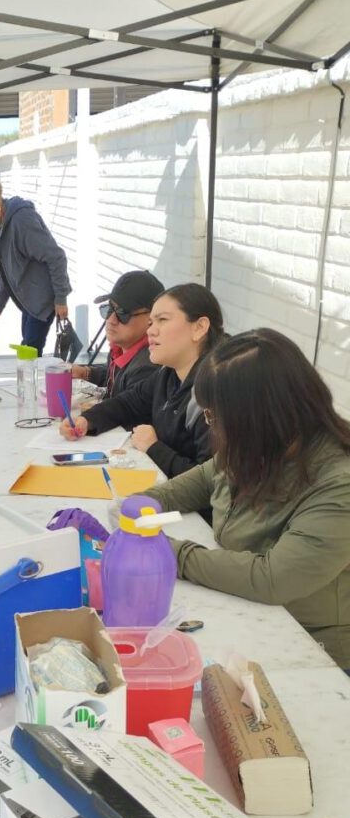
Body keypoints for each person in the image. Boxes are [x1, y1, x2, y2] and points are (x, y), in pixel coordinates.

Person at [144, 329, 350, 670]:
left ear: (257, 418)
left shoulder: (338, 486)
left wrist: (167, 552)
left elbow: (273, 578)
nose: (211, 427)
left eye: (214, 416)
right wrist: (143, 503)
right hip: (253, 614)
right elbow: (198, 482)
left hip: (314, 647)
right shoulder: (256, 449)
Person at [60, 283, 225, 478]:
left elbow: (212, 485)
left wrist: (153, 448)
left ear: (199, 328)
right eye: (151, 323)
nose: (151, 332)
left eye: (162, 320)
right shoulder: (168, 373)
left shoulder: (216, 392)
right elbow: (128, 403)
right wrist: (87, 420)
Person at [0, 174, 71, 354]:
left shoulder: (22, 221)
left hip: (42, 300)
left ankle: (33, 381)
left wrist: (60, 298)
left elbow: (56, 257)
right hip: (28, 302)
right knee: (28, 351)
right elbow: (5, 273)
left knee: (29, 353)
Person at [70, 269, 163, 398]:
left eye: (123, 313)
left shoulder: (146, 369)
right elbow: (116, 380)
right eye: (109, 309)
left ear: (152, 317)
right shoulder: (121, 347)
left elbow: (123, 413)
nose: (111, 320)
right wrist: (86, 373)